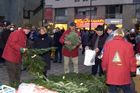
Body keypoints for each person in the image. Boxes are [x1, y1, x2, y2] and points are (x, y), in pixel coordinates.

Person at [102, 28, 137, 93]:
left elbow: (105, 58)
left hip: (112, 71)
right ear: (123, 35)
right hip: (124, 72)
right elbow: (132, 59)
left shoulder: (108, 44)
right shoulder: (128, 45)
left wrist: (104, 68)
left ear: (114, 35)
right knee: (127, 88)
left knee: (112, 89)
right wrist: (133, 70)